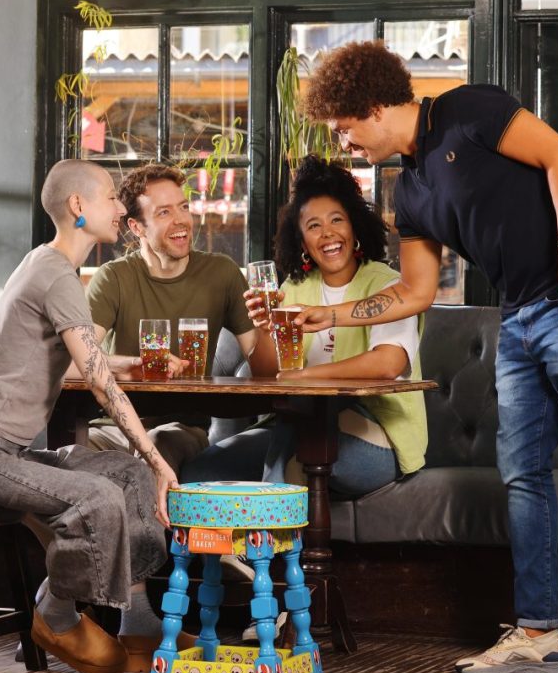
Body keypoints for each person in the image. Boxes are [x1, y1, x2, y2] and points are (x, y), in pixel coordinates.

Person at [294, 40, 558, 673]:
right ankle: (538, 630)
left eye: (343, 126)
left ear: (372, 106)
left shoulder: (465, 110)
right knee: (520, 470)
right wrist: (336, 316)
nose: (342, 141)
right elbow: (413, 291)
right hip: (518, 313)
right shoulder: (407, 189)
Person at [0, 159, 193, 673]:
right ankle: (54, 613)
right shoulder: (56, 275)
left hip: (5, 449)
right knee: (98, 495)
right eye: (112, 197)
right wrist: (159, 458)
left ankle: (136, 622)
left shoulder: (50, 265)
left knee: (125, 474)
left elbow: (78, 357)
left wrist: (123, 362)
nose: (121, 207)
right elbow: (96, 383)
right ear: (78, 207)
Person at [182, 155, 427, 499]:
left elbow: (389, 364)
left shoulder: (388, 286)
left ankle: (266, 543)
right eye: (313, 226)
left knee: (304, 427)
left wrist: (307, 379)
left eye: (337, 220)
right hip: (297, 427)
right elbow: (270, 373)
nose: (327, 233)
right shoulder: (295, 289)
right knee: (201, 472)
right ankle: (213, 553)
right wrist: (264, 328)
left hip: (377, 437)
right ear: (301, 240)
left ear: (354, 226)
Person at [84, 164, 257, 470]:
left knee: (159, 444)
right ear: (136, 227)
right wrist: (130, 366)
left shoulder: (221, 273)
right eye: (163, 212)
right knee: (71, 453)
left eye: (184, 207)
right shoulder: (114, 278)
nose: (181, 220)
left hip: (179, 428)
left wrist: (269, 322)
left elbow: (260, 361)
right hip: (114, 425)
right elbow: (80, 357)